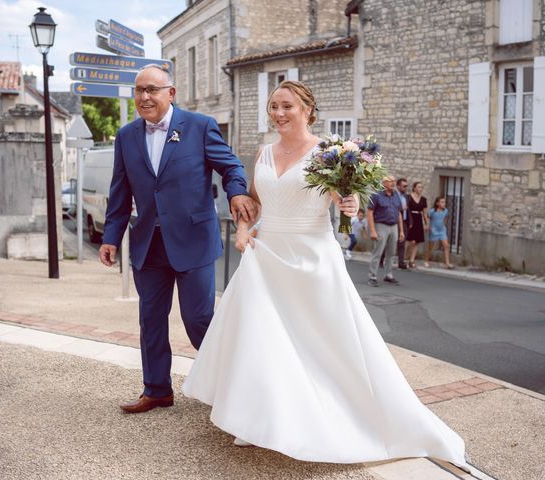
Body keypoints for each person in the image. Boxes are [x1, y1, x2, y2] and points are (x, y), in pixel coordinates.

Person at [182, 80, 467, 469]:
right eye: (273, 107)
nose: (279, 114)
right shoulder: (264, 152)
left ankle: (336, 415)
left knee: (321, 343)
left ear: (307, 109)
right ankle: (256, 419)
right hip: (266, 258)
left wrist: (350, 205)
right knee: (262, 340)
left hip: (312, 258)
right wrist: (246, 231)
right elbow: (257, 202)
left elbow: (344, 201)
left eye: (287, 106)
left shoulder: (327, 154)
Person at [99, 64, 257, 413]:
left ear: (171, 93)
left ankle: (234, 385)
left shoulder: (200, 126)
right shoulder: (126, 136)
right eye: (140, 90)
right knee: (150, 319)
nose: (145, 97)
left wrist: (236, 193)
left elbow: (230, 166)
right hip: (148, 245)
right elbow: (120, 191)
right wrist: (112, 236)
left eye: (152, 89)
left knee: (198, 318)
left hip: (193, 240)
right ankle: (156, 390)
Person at [367, 176, 404, 287]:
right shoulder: (376, 195)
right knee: (377, 252)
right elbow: (369, 213)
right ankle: (372, 277)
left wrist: (401, 230)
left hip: (393, 226)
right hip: (380, 225)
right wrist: (373, 230)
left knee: (391, 252)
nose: (393, 183)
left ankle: (388, 275)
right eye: (390, 181)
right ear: (384, 183)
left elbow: (399, 213)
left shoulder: (396, 195)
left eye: (394, 181)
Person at [379, 178, 408, 268]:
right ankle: (380, 260)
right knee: (385, 243)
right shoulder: (390, 195)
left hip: (402, 221)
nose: (405, 188)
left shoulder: (404, 197)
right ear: (399, 186)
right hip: (387, 222)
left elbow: (403, 210)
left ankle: (400, 262)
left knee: (401, 243)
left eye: (406, 186)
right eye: (404, 186)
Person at [424, 196, 453, 269]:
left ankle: (447, 263)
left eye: (444, 202)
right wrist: (428, 226)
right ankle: (426, 261)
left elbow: (446, 218)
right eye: (442, 202)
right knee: (431, 247)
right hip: (434, 230)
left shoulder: (445, 210)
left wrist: (443, 225)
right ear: (437, 203)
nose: (444, 203)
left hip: (442, 230)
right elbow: (427, 218)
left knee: (446, 246)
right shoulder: (432, 211)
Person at [406, 181, 429, 268]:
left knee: (416, 242)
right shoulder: (408, 197)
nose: (421, 189)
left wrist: (426, 223)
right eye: (419, 187)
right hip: (410, 219)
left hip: (418, 220)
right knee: (410, 241)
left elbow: (425, 213)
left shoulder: (423, 199)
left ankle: (412, 260)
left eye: (422, 187)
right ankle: (405, 257)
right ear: (414, 188)